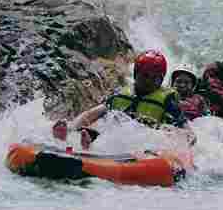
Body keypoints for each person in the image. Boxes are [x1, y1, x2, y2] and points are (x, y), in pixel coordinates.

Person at [52, 49, 190, 147]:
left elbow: (188, 132)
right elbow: (91, 114)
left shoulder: (168, 101)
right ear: (136, 74)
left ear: (162, 79)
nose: (150, 81)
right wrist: (72, 127)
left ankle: (88, 144)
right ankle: (71, 137)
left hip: (145, 142)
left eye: (156, 78)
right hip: (118, 136)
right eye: (146, 76)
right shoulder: (121, 94)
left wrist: (178, 138)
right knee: (101, 130)